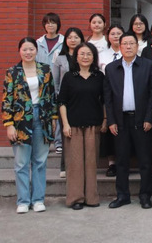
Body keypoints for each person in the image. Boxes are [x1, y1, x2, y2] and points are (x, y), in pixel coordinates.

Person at [2, 37, 58, 214]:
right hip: (20, 121)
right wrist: (9, 124)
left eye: (31, 49)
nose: (28, 52)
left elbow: (51, 96)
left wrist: (53, 118)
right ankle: (23, 201)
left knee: (40, 161)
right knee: (21, 162)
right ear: (19, 51)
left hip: (42, 118)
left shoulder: (45, 70)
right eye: (25, 49)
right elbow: (7, 99)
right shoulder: (12, 72)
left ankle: (38, 199)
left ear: (36, 50)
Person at [104, 32, 152, 209]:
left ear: (137, 46)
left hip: (142, 120)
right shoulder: (111, 68)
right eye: (124, 43)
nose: (128, 46)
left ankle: (145, 196)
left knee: (145, 161)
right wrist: (111, 120)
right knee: (121, 161)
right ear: (119, 46)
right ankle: (122, 195)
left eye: (131, 43)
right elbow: (108, 98)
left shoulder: (147, 65)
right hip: (120, 121)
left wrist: (149, 117)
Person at [58, 42, 105, 210]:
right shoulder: (69, 77)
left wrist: (105, 120)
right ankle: (76, 199)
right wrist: (65, 124)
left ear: (94, 57)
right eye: (82, 54)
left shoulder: (99, 76)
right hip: (73, 126)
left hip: (93, 125)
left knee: (91, 163)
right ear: (76, 57)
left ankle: (91, 197)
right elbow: (62, 102)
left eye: (89, 54)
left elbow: (104, 100)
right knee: (75, 164)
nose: (85, 57)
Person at [51, 27, 85, 176]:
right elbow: (55, 83)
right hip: (65, 102)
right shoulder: (60, 58)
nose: (73, 40)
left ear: (81, 39)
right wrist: (58, 100)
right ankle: (64, 166)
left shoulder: (85, 55)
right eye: (70, 37)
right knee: (67, 135)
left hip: (82, 100)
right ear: (65, 40)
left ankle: (81, 165)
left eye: (76, 37)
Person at [35, 12, 64, 154]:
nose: (50, 25)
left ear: (58, 25)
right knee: (44, 112)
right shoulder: (38, 43)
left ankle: (58, 142)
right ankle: (45, 140)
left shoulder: (63, 42)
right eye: (47, 23)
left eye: (53, 22)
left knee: (58, 111)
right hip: (42, 84)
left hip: (59, 82)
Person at [98, 24, 124, 177]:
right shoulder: (102, 55)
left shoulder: (128, 52)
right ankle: (111, 163)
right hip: (107, 94)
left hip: (125, 95)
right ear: (108, 37)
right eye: (113, 33)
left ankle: (124, 161)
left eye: (119, 33)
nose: (116, 36)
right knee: (109, 130)